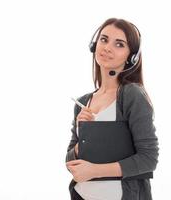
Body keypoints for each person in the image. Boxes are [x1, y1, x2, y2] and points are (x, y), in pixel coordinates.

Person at [65, 18, 159, 200]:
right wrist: (83, 135)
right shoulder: (84, 102)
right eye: (104, 39)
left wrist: (95, 171)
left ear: (131, 56)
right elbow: (70, 162)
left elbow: (149, 158)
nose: (107, 47)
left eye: (119, 44)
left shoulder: (131, 95)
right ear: (94, 45)